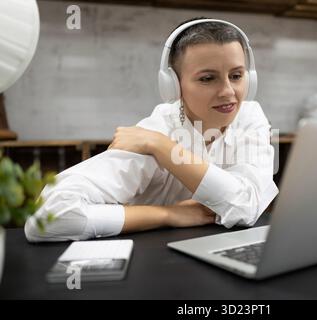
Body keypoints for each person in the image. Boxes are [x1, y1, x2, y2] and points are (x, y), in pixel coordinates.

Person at [25, 18, 279, 242]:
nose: (228, 92)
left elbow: (245, 207)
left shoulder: (248, 115)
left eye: (236, 75)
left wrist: (162, 147)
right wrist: (168, 215)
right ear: (173, 86)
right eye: (207, 78)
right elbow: (46, 218)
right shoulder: (156, 129)